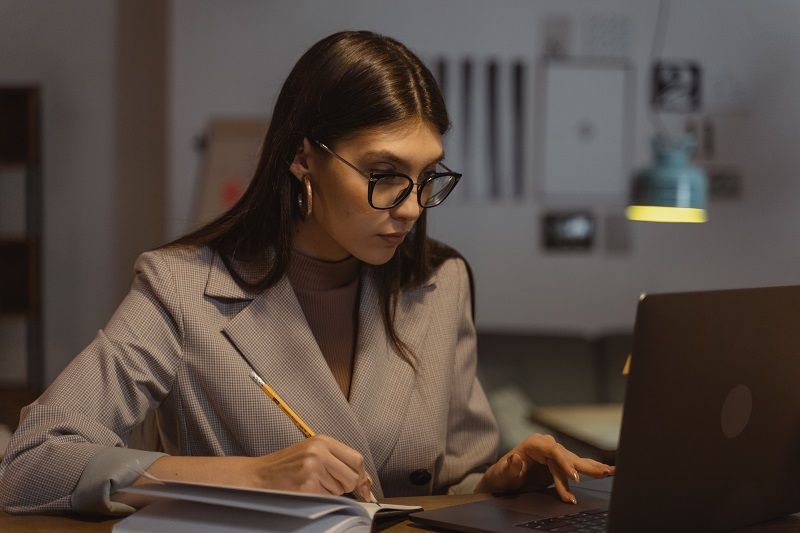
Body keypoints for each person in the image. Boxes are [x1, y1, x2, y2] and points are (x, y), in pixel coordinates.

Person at [0, 30, 613, 516]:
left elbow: (449, 486)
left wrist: (502, 478)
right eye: (383, 174)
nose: (409, 206)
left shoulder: (438, 282)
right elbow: (32, 464)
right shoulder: (182, 287)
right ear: (302, 158)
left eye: (428, 178)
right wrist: (252, 477)